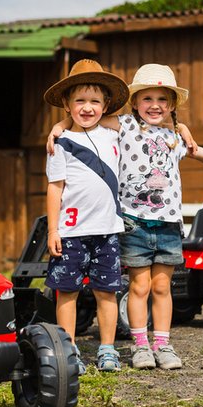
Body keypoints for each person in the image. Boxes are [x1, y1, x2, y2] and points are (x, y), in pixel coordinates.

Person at [47, 63, 203, 371]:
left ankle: (162, 342)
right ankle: (140, 345)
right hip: (133, 220)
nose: (155, 105)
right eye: (147, 99)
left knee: (162, 287)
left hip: (168, 222)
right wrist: (59, 125)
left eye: (163, 100)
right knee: (139, 287)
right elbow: (87, 118)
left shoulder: (174, 136)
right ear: (134, 102)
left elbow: (194, 149)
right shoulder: (124, 126)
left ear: (172, 104)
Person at [43, 59, 130, 374]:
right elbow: (55, 188)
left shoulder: (114, 133)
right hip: (70, 231)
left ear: (106, 104)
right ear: (66, 104)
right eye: (79, 100)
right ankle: (69, 351)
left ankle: (107, 349)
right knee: (66, 291)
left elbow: (147, 126)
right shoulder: (61, 144)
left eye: (95, 101)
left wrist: (183, 128)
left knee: (107, 290)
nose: (87, 107)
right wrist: (53, 230)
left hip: (107, 229)